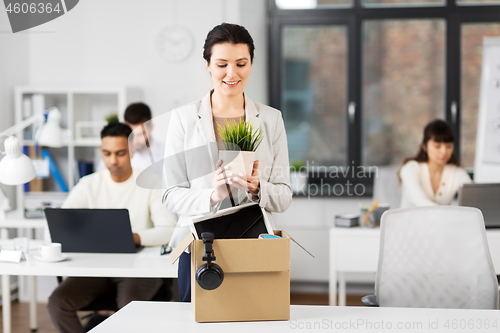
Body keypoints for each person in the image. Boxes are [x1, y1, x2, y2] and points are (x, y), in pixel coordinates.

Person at [162, 23, 292, 302]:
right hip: (198, 246)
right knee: (195, 324)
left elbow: (283, 197)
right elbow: (170, 195)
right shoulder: (184, 119)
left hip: (254, 246)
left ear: (251, 64)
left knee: (254, 322)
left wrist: (259, 188)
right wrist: (212, 195)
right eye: (222, 64)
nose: (231, 73)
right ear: (207, 64)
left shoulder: (271, 120)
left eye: (241, 63)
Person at [47, 122, 177, 333]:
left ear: (132, 150)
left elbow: (169, 229)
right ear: (101, 152)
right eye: (107, 153)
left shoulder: (150, 182)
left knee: (129, 306)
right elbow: (60, 223)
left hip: (138, 269)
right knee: (57, 303)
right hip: (94, 268)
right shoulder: (88, 184)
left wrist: (133, 238)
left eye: (120, 153)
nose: (113, 160)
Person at [399, 119, 472, 208]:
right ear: (424, 147)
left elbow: (473, 198)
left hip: (441, 221)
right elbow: (421, 203)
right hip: (410, 221)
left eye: (449, 146)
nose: (444, 151)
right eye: (437, 146)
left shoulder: (456, 172)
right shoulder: (410, 169)